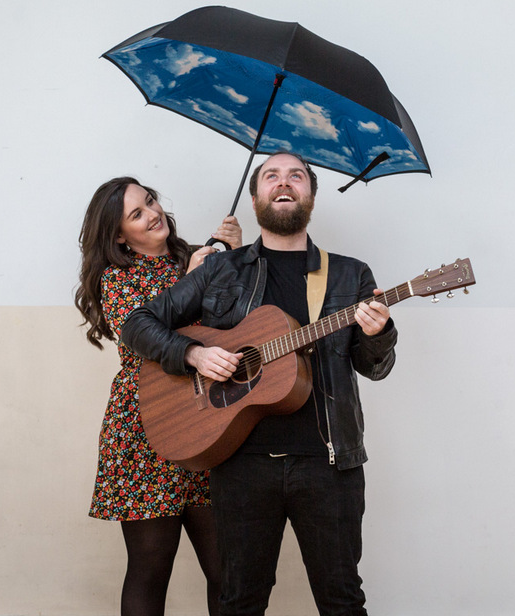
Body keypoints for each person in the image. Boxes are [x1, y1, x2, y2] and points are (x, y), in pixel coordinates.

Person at [120, 153, 397, 616]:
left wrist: (379, 333)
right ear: (254, 199)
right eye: (271, 176)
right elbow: (137, 324)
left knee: (342, 601)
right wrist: (194, 354)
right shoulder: (220, 270)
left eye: (296, 176)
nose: (284, 183)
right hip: (241, 464)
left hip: (329, 464)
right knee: (239, 604)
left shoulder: (350, 274)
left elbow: (375, 367)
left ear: (310, 196)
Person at [75, 177, 242, 616]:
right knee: (150, 567)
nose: (152, 214)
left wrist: (235, 255)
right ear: (119, 236)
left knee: (228, 570)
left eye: (149, 201)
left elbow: (235, 325)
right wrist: (191, 281)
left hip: (208, 424)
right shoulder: (117, 279)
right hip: (145, 429)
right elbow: (145, 335)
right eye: (137, 214)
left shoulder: (198, 257)